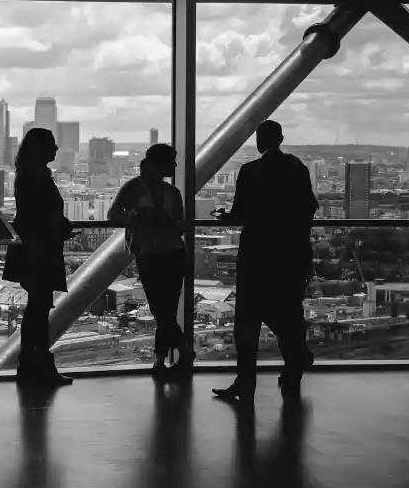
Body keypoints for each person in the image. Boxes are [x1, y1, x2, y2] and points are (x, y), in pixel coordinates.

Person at [212, 120, 318, 403]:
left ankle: (246, 382)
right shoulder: (297, 169)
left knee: (248, 320)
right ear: (281, 139)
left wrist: (225, 217)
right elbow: (310, 208)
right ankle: (294, 366)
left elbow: (241, 214)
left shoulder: (251, 171)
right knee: (288, 311)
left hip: (257, 255)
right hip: (291, 254)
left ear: (260, 141)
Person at [108, 144, 193, 380]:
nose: (175, 166)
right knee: (162, 309)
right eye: (171, 161)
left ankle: (163, 359)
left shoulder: (144, 190)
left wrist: (149, 219)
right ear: (160, 164)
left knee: (162, 309)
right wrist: (136, 218)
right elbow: (115, 215)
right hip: (162, 253)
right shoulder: (152, 190)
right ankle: (180, 352)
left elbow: (180, 225)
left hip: (160, 254)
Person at [3, 128, 73, 387]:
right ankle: (39, 365)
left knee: (37, 309)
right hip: (40, 248)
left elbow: (31, 213)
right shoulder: (37, 175)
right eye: (52, 145)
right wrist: (59, 226)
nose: (56, 150)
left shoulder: (26, 173)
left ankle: (30, 364)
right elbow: (42, 213)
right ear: (41, 149)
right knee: (39, 309)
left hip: (31, 246)